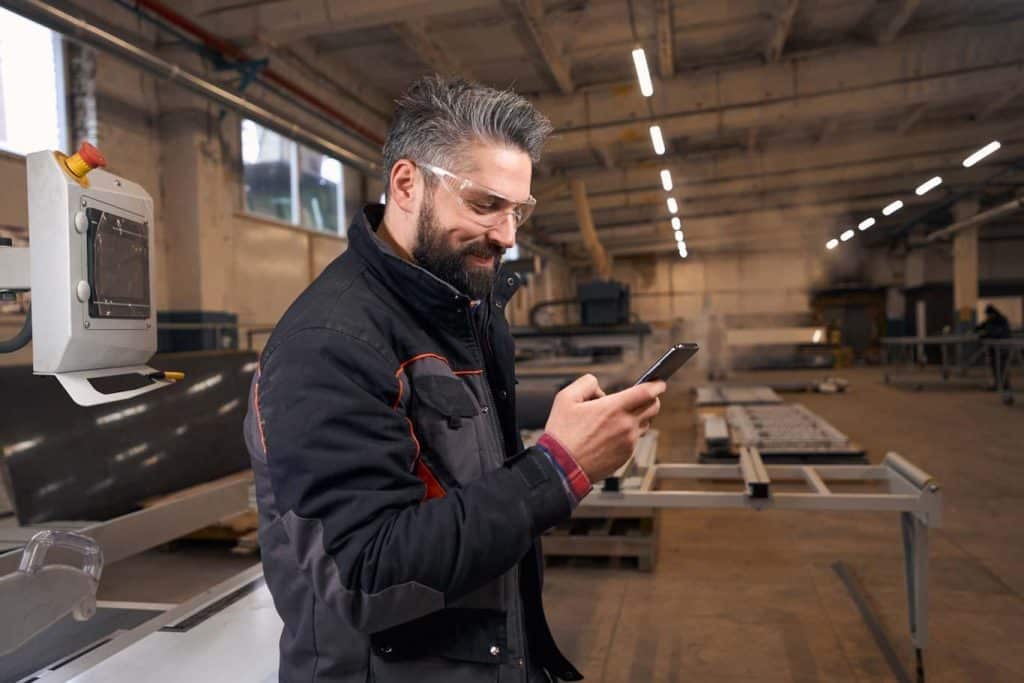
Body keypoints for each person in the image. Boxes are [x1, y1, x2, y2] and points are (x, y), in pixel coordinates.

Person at [243, 76, 665, 683]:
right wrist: (559, 467)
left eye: (517, 210)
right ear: (407, 184)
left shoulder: (461, 309)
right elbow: (367, 576)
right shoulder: (329, 343)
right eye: (485, 204)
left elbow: (458, 442)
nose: (509, 235)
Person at [976, 304, 1012, 390]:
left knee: (1001, 367)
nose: (987, 316)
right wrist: (978, 329)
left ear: (992, 313)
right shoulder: (992, 320)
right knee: (996, 367)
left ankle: (1004, 385)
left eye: (988, 314)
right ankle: (1000, 384)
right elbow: (982, 326)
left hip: (1001, 347)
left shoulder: (1000, 320)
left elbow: (996, 333)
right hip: (995, 348)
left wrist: (985, 335)